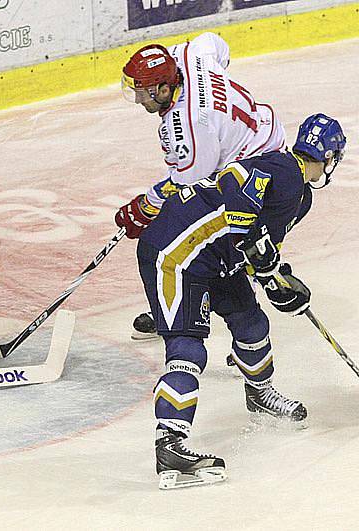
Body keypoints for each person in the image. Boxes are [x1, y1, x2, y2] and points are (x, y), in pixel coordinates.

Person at [137, 113, 346, 489]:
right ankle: (170, 445)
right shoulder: (284, 168)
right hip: (175, 254)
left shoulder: (301, 197)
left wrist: (277, 281)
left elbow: (260, 251)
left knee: (252, 323)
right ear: (330, 158)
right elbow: (233, 178)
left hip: (217, 258)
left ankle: (260, 393)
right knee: (188, 350)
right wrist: (246, 233)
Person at [117, 32, 287, 340]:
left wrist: (147, 205)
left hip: (254, 165)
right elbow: (214, 41)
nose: (139, 99)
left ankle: (244, 330)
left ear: (165, 88)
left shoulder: (192, 125)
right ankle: (182, 305)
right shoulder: (189, 57)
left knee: (221, 234)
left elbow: (189, 184)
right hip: (262, 129)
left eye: (143, 92)